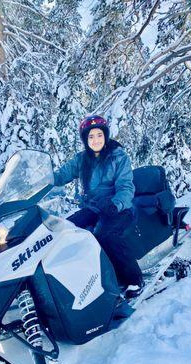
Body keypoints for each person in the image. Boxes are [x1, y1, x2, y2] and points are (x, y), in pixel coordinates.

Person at [53, 115, 144, 296]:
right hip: (94, 208)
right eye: (91, 136)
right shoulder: (81, 159)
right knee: (64, 231)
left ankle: (134, 280)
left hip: (118, 208)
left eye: (99, 135)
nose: (96, 140)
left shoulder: (118, 157)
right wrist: (39, 178)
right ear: (86, 140)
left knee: (105, 235)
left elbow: (126, 186)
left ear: (106, 136)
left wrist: (115, 204)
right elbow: (60, 176)